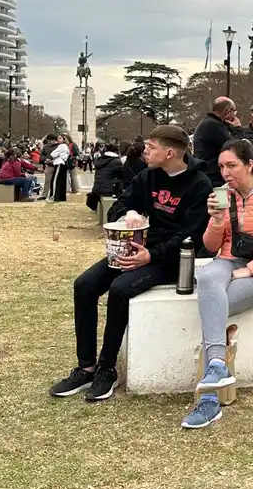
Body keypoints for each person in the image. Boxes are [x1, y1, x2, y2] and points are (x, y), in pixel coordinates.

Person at [49, 125, 212, 402]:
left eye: (151, 147)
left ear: (170, 153)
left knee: (120, 289)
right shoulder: (148, 176)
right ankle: (86, 367)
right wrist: (131, 213)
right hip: (135, 248)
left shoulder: (199, 184)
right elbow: (118, 206)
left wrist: (151, 255)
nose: (145, 151)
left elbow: (192, 236)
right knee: (85, 285)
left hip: (170, 259)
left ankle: (107, 368)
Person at [183, 139, 253, 428]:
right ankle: (217, 367)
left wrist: (252, 269)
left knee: (211, 308)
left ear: (249, 164)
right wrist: (216, 220)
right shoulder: (224, 194)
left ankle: (209, 400)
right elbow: (211, 246)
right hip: (229, 259)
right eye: (221, 166)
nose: (225, 172)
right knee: (208, 278)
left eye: (232, 165)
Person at [192, 96, 243, 186]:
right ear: (228, 112)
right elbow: (236, 146)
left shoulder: (208, 123)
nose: (235, 116)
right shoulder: (213, 125)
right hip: (213, 177)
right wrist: (238, 128)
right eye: (234, 112)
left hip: (206, 174)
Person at [86, 143, 123, 212]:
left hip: (97, 189)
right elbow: (122, 175)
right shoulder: (116, 161)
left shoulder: (100, 159)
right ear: (116, 152)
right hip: (108, 190)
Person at [46, 135, 71, 202]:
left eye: (60, 138)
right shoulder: (66, 146)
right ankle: (61, 197)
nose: (58, 139)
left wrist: (49, 158)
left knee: (54, 181)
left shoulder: (62, 146)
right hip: (63, 164)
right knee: (61, 182)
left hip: (59, 164)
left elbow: (53, 154)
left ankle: (53, 197)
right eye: (58, 138)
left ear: (64, 139)